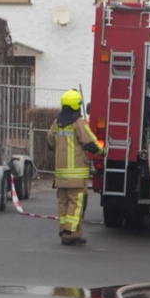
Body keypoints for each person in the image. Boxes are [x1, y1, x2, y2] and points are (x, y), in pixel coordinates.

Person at [46, 88, 104, 246]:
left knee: (63, 202)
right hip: (76, 175)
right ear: (77, 105)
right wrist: (104, 151)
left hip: (60, 175)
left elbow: (50, 143)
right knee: (77, 204)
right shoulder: (79, 123)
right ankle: (69, 233)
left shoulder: (57, 124)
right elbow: (91, 143)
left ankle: (68, 231)